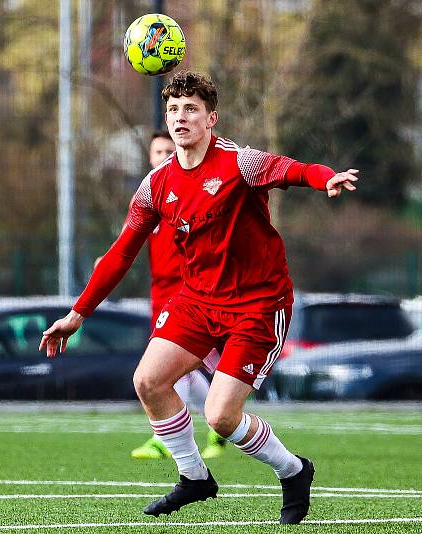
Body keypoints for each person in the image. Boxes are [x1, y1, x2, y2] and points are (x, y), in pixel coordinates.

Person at [40, 71, 358, 524]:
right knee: (148, 381)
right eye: (173, 109)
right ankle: (194, 478)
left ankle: (293, 470)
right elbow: (120, 254)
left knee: (221, 417)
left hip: (258, 304)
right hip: (198, 300)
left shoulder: (239, 162)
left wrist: (325, 179)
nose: (180, 117)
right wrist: (77, 313)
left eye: (190, 108)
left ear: (212, 118)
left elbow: (294, 169)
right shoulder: (156, 184)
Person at [130, 131, 226, 461]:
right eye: (157, 151)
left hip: (187, 291)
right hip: (160, 291)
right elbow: (130, 240)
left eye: (168, 150)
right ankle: (218, 421)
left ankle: (163, 437)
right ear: (150, 156)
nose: (162, 155)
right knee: (189, 369)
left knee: (175, 368)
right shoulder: (151, 194)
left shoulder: (184, 191)